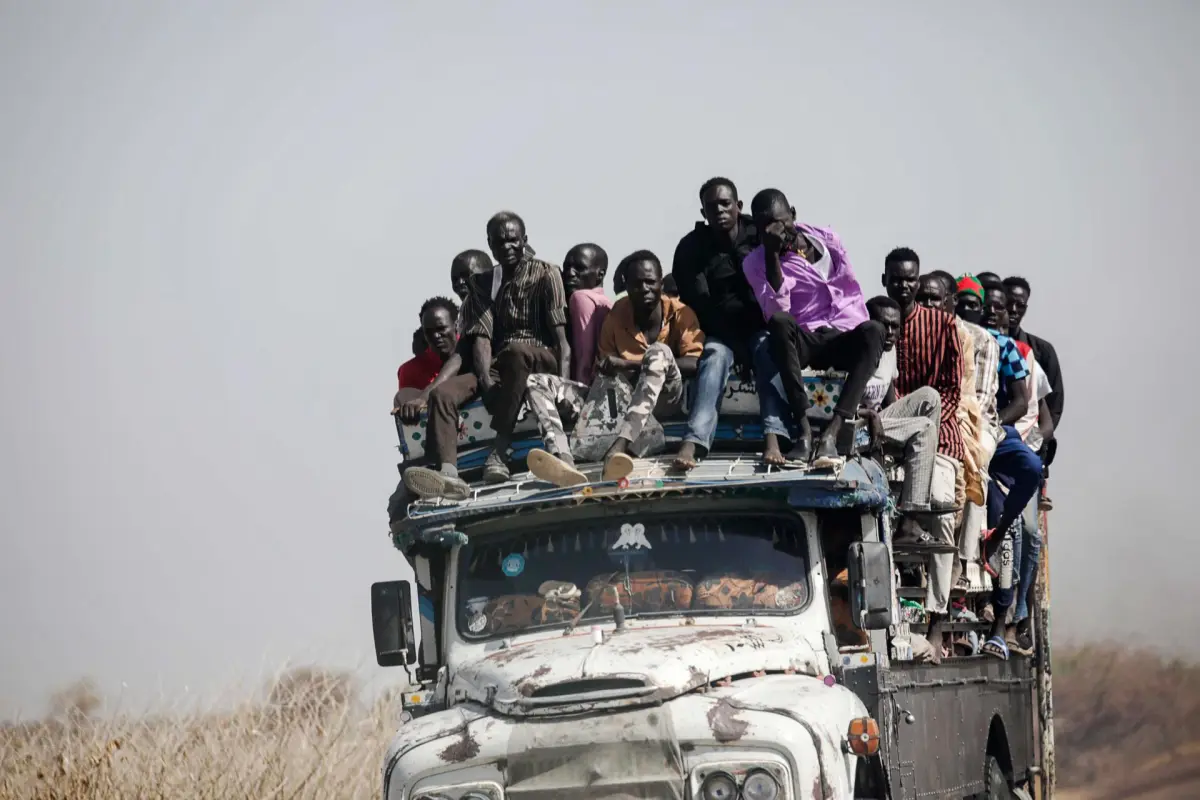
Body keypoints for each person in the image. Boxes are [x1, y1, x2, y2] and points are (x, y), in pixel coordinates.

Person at [403, 212, 569, 497]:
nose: (506, 247)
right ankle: (449, 474)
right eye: (499, 242)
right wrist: (486, 383)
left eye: (512, 240)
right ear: (490, 247)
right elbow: (480, 339)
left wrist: (565, 388)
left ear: (524, 241)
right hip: (502, 362)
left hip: (541, 358)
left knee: (517, 352)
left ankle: (500, 448)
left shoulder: (546, 273)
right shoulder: (483, 283)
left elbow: (562, 342)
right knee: (444, 394)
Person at [525, 250, 703, 485]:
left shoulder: (681, 313)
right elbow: (607, 370)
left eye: (650, 282)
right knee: (537, 381)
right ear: (626, 286)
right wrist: (606, 370)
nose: (645, 289)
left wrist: (632, 364)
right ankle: (563, 458)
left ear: (661, 283)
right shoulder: (617, 314)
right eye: (636, 284)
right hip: (620, 401)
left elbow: (694, 362)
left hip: (664, 400)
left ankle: (619, 449)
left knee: (658, 352)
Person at [743, 189, 885, 463]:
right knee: (779, 322)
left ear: (793, 215)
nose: (776, 233)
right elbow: (775, 309)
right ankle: (804, 430)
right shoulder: (755, 262)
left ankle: (833, 431)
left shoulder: (825, 237)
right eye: (766, 230)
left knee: (875, 330)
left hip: (843, 332)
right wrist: (773, 255)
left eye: (781, 224)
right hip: (805, 338)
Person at [671, 178, 788, 469]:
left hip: (760, 326)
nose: (720, 211)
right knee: (713, 356)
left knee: (767, 348)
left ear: (739, 206)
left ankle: (774, 436)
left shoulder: (758, 234)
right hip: (719, 332)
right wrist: (737, 347)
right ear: (703, 213)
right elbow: (702, 305)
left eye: (725, 204)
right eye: (712, 207)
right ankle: (694, 441)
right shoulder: (691, 248)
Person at [861, 296, 942, 533]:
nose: (889, 332)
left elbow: (889, 395)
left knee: (930, 396)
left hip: (877, 420)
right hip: (854, 424)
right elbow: (839, 405)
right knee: (925, 427)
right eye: (883, 325)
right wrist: (870, 415)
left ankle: (919, 485)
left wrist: (901, 429)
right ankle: (910, 516)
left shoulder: (890, 349)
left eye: (895, 326)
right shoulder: (860, 347)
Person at [393, 297, 461, 420]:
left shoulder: (474, 348)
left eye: (441, 329)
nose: (436, 336)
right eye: (429, 332)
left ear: (455, 325)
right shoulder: (410, 371)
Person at [562, 243, 613, 386]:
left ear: (600, 274)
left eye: (580, 268)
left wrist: (579, 393)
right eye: (567, 267)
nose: (570, 273)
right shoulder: (608, 303)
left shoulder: (580, 297)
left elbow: (584, 354)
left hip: (585, 387)